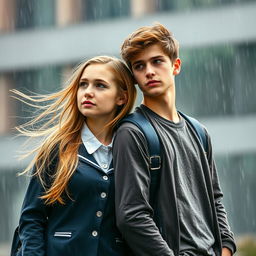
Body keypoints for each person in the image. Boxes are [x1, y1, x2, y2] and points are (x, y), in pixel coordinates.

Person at [113, 23, 236, 256]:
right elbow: (132, 216)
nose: (149, 71)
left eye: (157, 61)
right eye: (139, 66)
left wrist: (226, 248)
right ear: (135, 78)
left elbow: (215, 198)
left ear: (175, 65)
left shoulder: (198, 131)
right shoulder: (132, 132)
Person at [11, 56, 136, 256]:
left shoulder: (133, 151)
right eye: (83, 84)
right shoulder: (57, 148)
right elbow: (32, 218)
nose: (87, 92)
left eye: (100, 85)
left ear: (122, 97)